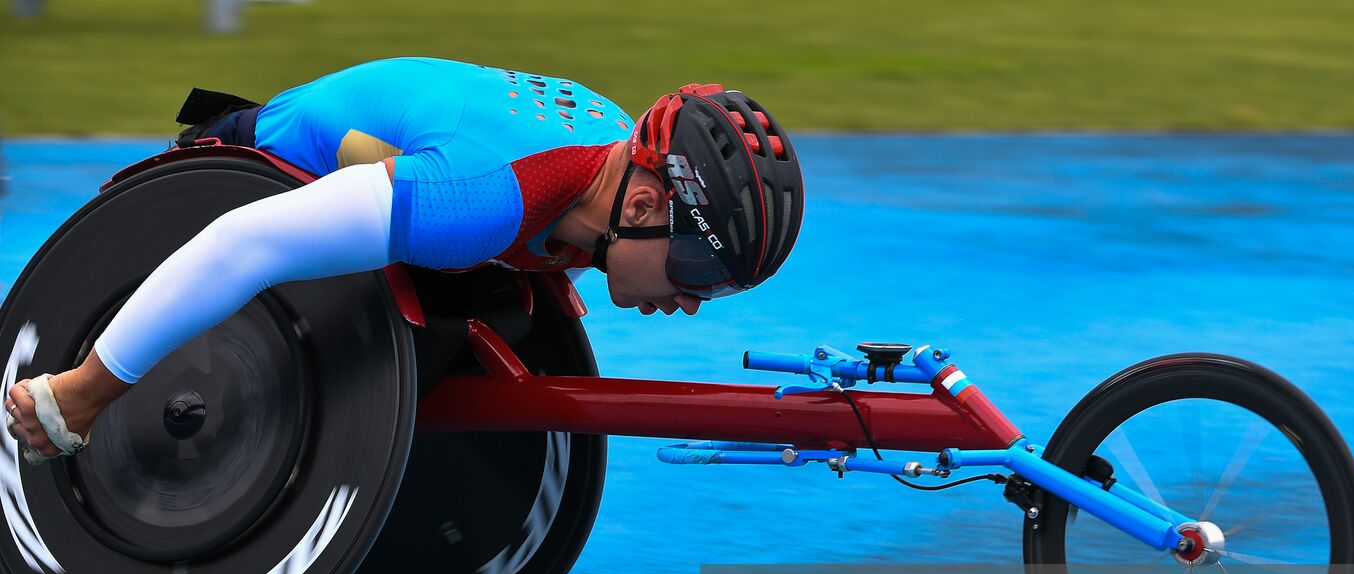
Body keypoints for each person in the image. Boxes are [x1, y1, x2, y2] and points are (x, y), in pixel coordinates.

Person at [4, 57, 804, 464]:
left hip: (416, 172)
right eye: (701, 272)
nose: (695, 302)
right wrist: (81, 394)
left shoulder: (609, 170)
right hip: (262, 159)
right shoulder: (483, 200)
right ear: (639, 207)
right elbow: (242, 241)